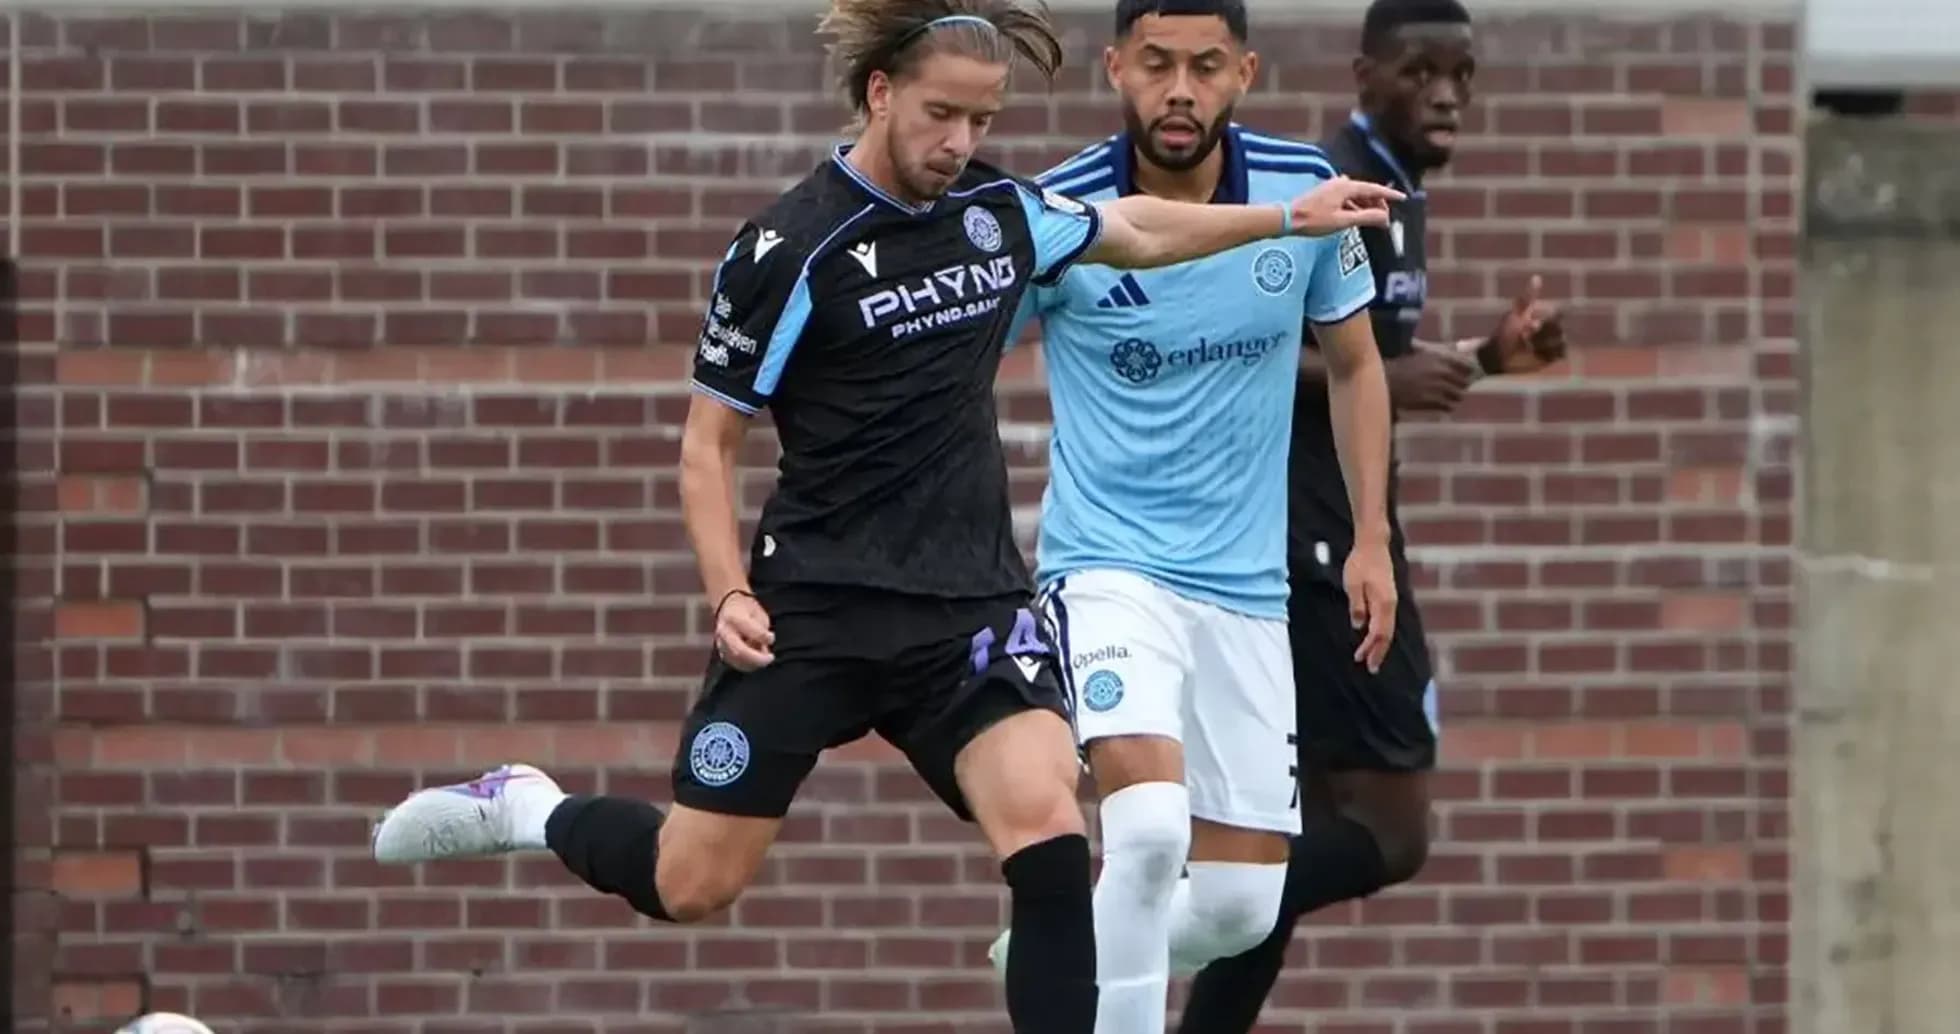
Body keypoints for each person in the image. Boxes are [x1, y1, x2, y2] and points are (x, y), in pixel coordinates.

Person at [366, 2, 1403, 1032]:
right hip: (813, 608)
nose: (959, 144)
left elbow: (1129, 228)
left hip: (966, 612)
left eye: (982, 122)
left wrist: (1281, 218)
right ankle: (532, 806)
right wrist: (726, 586)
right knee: (692, 880)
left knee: (1051, 833)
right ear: (879, 92)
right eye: (940, 115)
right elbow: (706, 444)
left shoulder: (998, 212)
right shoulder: (788, 248)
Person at [981, 2, 1399, 1031]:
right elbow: (963, 364)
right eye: (1157, 64)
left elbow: (1354, 363)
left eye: (1205, 66)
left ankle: (1061, 944)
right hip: (1107, 567)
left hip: (1245, 587)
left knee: (1240, 906)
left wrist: (1371, 533)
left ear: (1244, 71)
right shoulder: (1065, 211)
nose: (1180, 90)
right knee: (1152, 830)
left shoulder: (1307, 191)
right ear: (1115, 65)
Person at [1173, 1, 1569, 1031]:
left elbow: (1373, 376)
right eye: (1419, 70)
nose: (1445, 92)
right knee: (1391, 835)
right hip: (1314, 545)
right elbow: (1231, 345)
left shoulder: (1400, 192)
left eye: (1462, 73)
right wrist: (1384, 385)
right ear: (1363, 75)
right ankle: (1136, 910)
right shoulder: (1332, 188)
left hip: (1325, 532)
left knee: (1292, 836)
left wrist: (1484, 360)